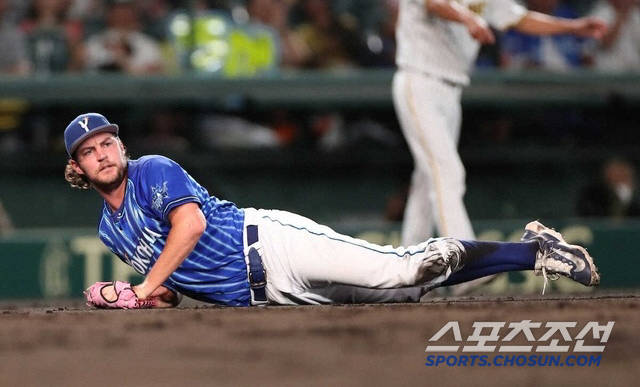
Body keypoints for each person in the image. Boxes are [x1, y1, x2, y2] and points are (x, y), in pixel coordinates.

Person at [64, 112, 599, 308]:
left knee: (402, 267)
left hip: (268, 243)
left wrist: (135, 290)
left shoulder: (151, 169)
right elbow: (174, 286)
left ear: (121, 146)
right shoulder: (111, 231)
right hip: (270, 295)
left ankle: (537, 251)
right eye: (89, 152)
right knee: (408, 290)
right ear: (79, 170)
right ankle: (533, 251)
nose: (103, 153)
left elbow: (191, 226)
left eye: (107, 142)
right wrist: (150, 298)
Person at [392, 0, 607, 247]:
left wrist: (571, 27)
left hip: (451, 89)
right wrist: (467, 18)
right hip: (419, 80)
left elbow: (518, 17)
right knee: (447, 171)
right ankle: (464, 258)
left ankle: (407, 270)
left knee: (428, 179)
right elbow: (434, 1)